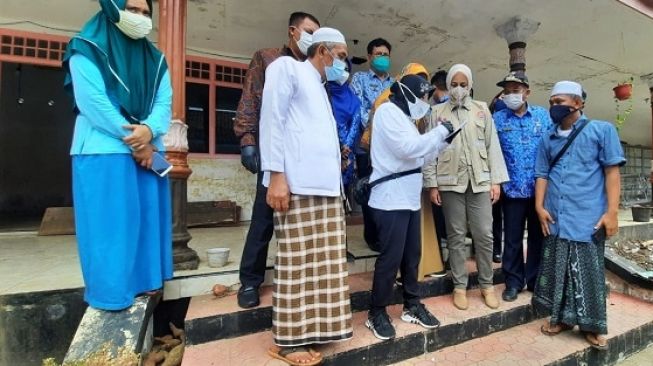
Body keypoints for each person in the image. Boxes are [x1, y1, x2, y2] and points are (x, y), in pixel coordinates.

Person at [62, 0, 172, 310]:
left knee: (149, 220)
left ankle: (149, 283)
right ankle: (111, 296)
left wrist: (149, 132)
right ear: (112, 7)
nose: (140, 18)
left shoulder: (157, 59)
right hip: (105, 151)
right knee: (111, 227)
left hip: (152, 152)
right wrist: (139, 142)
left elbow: (164, 104)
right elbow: (93, 102)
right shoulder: (86, 48)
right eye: (132, 9)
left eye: (146, 12)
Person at [260, 27, 353, 365]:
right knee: (296, 265)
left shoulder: (320, 87)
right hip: (296, 186)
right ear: (323, 51)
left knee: (324, 267)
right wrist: (277, 176)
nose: (343, 64)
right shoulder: (288, 68)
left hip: (327, 191)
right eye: (341, 56)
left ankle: (316, 331)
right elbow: (272, 120)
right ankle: (289, 341)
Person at [233, 12, 320, 309]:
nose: (312, 38)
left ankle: (300, 282)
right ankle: (249, 281)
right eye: (309, 31)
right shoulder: (267, 58)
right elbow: (250, 99)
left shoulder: (315, 68)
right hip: (276, 153)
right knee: (263, 218)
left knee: (303, 222)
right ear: (293, 31)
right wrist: (247, 141)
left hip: (306, 157)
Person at [533, 81, 625, 350]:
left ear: (578, 102)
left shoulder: (602, 130)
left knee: (588, 273)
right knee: (559, 271)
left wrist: (612, 212)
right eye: (551, 102)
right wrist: (539, 207)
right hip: (556, 216)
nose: (554, 107)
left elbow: (612, 172)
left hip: (588, 217)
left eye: (559, 101)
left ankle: (593, 326)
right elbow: (541, 174)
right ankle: (561, 320)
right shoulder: (547, 138)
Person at [366, 74, 452, 340]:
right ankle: (376, 312)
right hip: (390, 199)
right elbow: (407, 148)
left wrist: (442, 142)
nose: (424, 103)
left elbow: (419, 157)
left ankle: (411, 305)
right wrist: (439, 132)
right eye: (423, 97)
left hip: (409, 198)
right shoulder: (387, 112)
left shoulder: (405, 119)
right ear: (408, 95)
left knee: (411, 257)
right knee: (390, 260)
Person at [423, 64, 509, 311]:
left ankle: (487, 285)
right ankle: (459, 286)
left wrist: (495, 182)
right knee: (456, 236)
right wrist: (432, 185)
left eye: (463, 84)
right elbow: (429, 152)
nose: (458, 89)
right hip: (450, 182)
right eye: (454, 84)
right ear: (447, 86)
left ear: (470, 85)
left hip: (480, 181)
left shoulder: (482, 110)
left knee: (484, 234)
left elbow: (493, 146)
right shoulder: (437, 112)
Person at [493, 71, 552, 302]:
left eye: (515, 91)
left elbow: (551, 150)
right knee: (513, 239)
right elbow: (492, 153)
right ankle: (513, 282)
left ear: (527, 92)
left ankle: (535, 279)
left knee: (538, 237)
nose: (510, 95)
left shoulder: (542, 116)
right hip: (512, 190)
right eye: (506, 91)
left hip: (539, 190)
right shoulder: (498, 119)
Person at [350, 37, 394, 250]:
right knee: (368, 188)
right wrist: (379, 127)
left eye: (386, 54)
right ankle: (372, 236)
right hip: (367, 146)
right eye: (378, 54)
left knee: (388, 189)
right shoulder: (359, 79)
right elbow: (358, 109)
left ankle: (387, 233)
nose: (382, 58)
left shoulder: (395, 84)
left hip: (390, 148)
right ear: (369, 57)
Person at [326, 58, 362, 192]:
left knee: (343, 192)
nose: (343, 73)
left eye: (347, 70)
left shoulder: (352, 98)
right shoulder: (322, 93)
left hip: (346, 155)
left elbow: (355, 123)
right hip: (325, 152)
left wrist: (345, 148)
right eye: (340, 69)